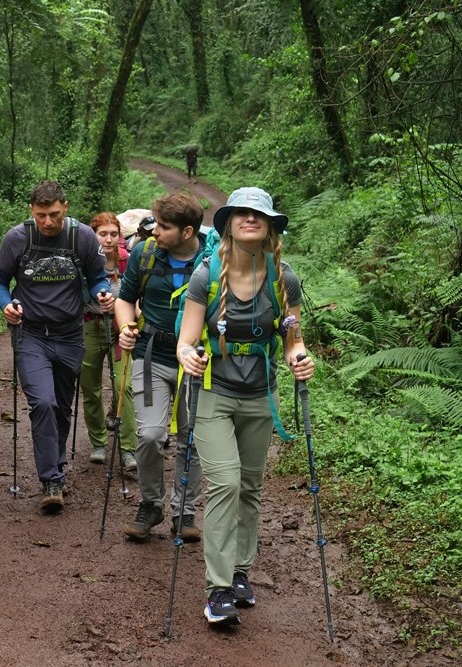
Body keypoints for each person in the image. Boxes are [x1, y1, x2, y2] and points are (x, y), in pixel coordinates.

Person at [176, 186, 314, 624]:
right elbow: (186, 340)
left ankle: (240, 572)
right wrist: (188, 355)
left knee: (251, 487)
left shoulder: (283, 278)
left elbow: (294, 339)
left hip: (261, 395)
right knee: (226, 484)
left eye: (259, 215)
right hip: (214, 391)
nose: (250, 220)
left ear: (270, 224)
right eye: (241, 214)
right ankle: (217, 590)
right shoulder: (207, 275)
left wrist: (298, 358)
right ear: (229, 224)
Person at [0, 180, 113, 513]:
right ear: (31, 210)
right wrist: (6, 304)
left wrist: (103, 292)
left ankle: (55, 466)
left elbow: (97, 276)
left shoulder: (81, 237)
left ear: (65, 208)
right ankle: (51, 479)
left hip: (71, 334)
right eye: (42, 215)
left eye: (54, 215)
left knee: (60, 405)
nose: (48, 222)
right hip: (31, 335)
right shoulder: (17, 239)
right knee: (42, 402)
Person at [115, 192, 207, 543]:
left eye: (164, 227)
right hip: (151, 356)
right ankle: (150, 504)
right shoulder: (144, 252)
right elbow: (125, 300)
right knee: (150, 434)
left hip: (197, 362)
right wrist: (125, 328)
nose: (155, 232)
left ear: (186, 231)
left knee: (191, 439)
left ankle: (184, 512)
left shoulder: (212, 260)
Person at [79, 212, 137, 470]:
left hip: (120, 329)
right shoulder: (83, 261)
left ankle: (127, 449)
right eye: (103, 234)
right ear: (94, 235)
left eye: (114, 233)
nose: (109, 239)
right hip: (90, 325)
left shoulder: (127, 261)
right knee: (90, 387)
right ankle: (99, 443)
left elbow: (137, 294)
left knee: (123, 385)